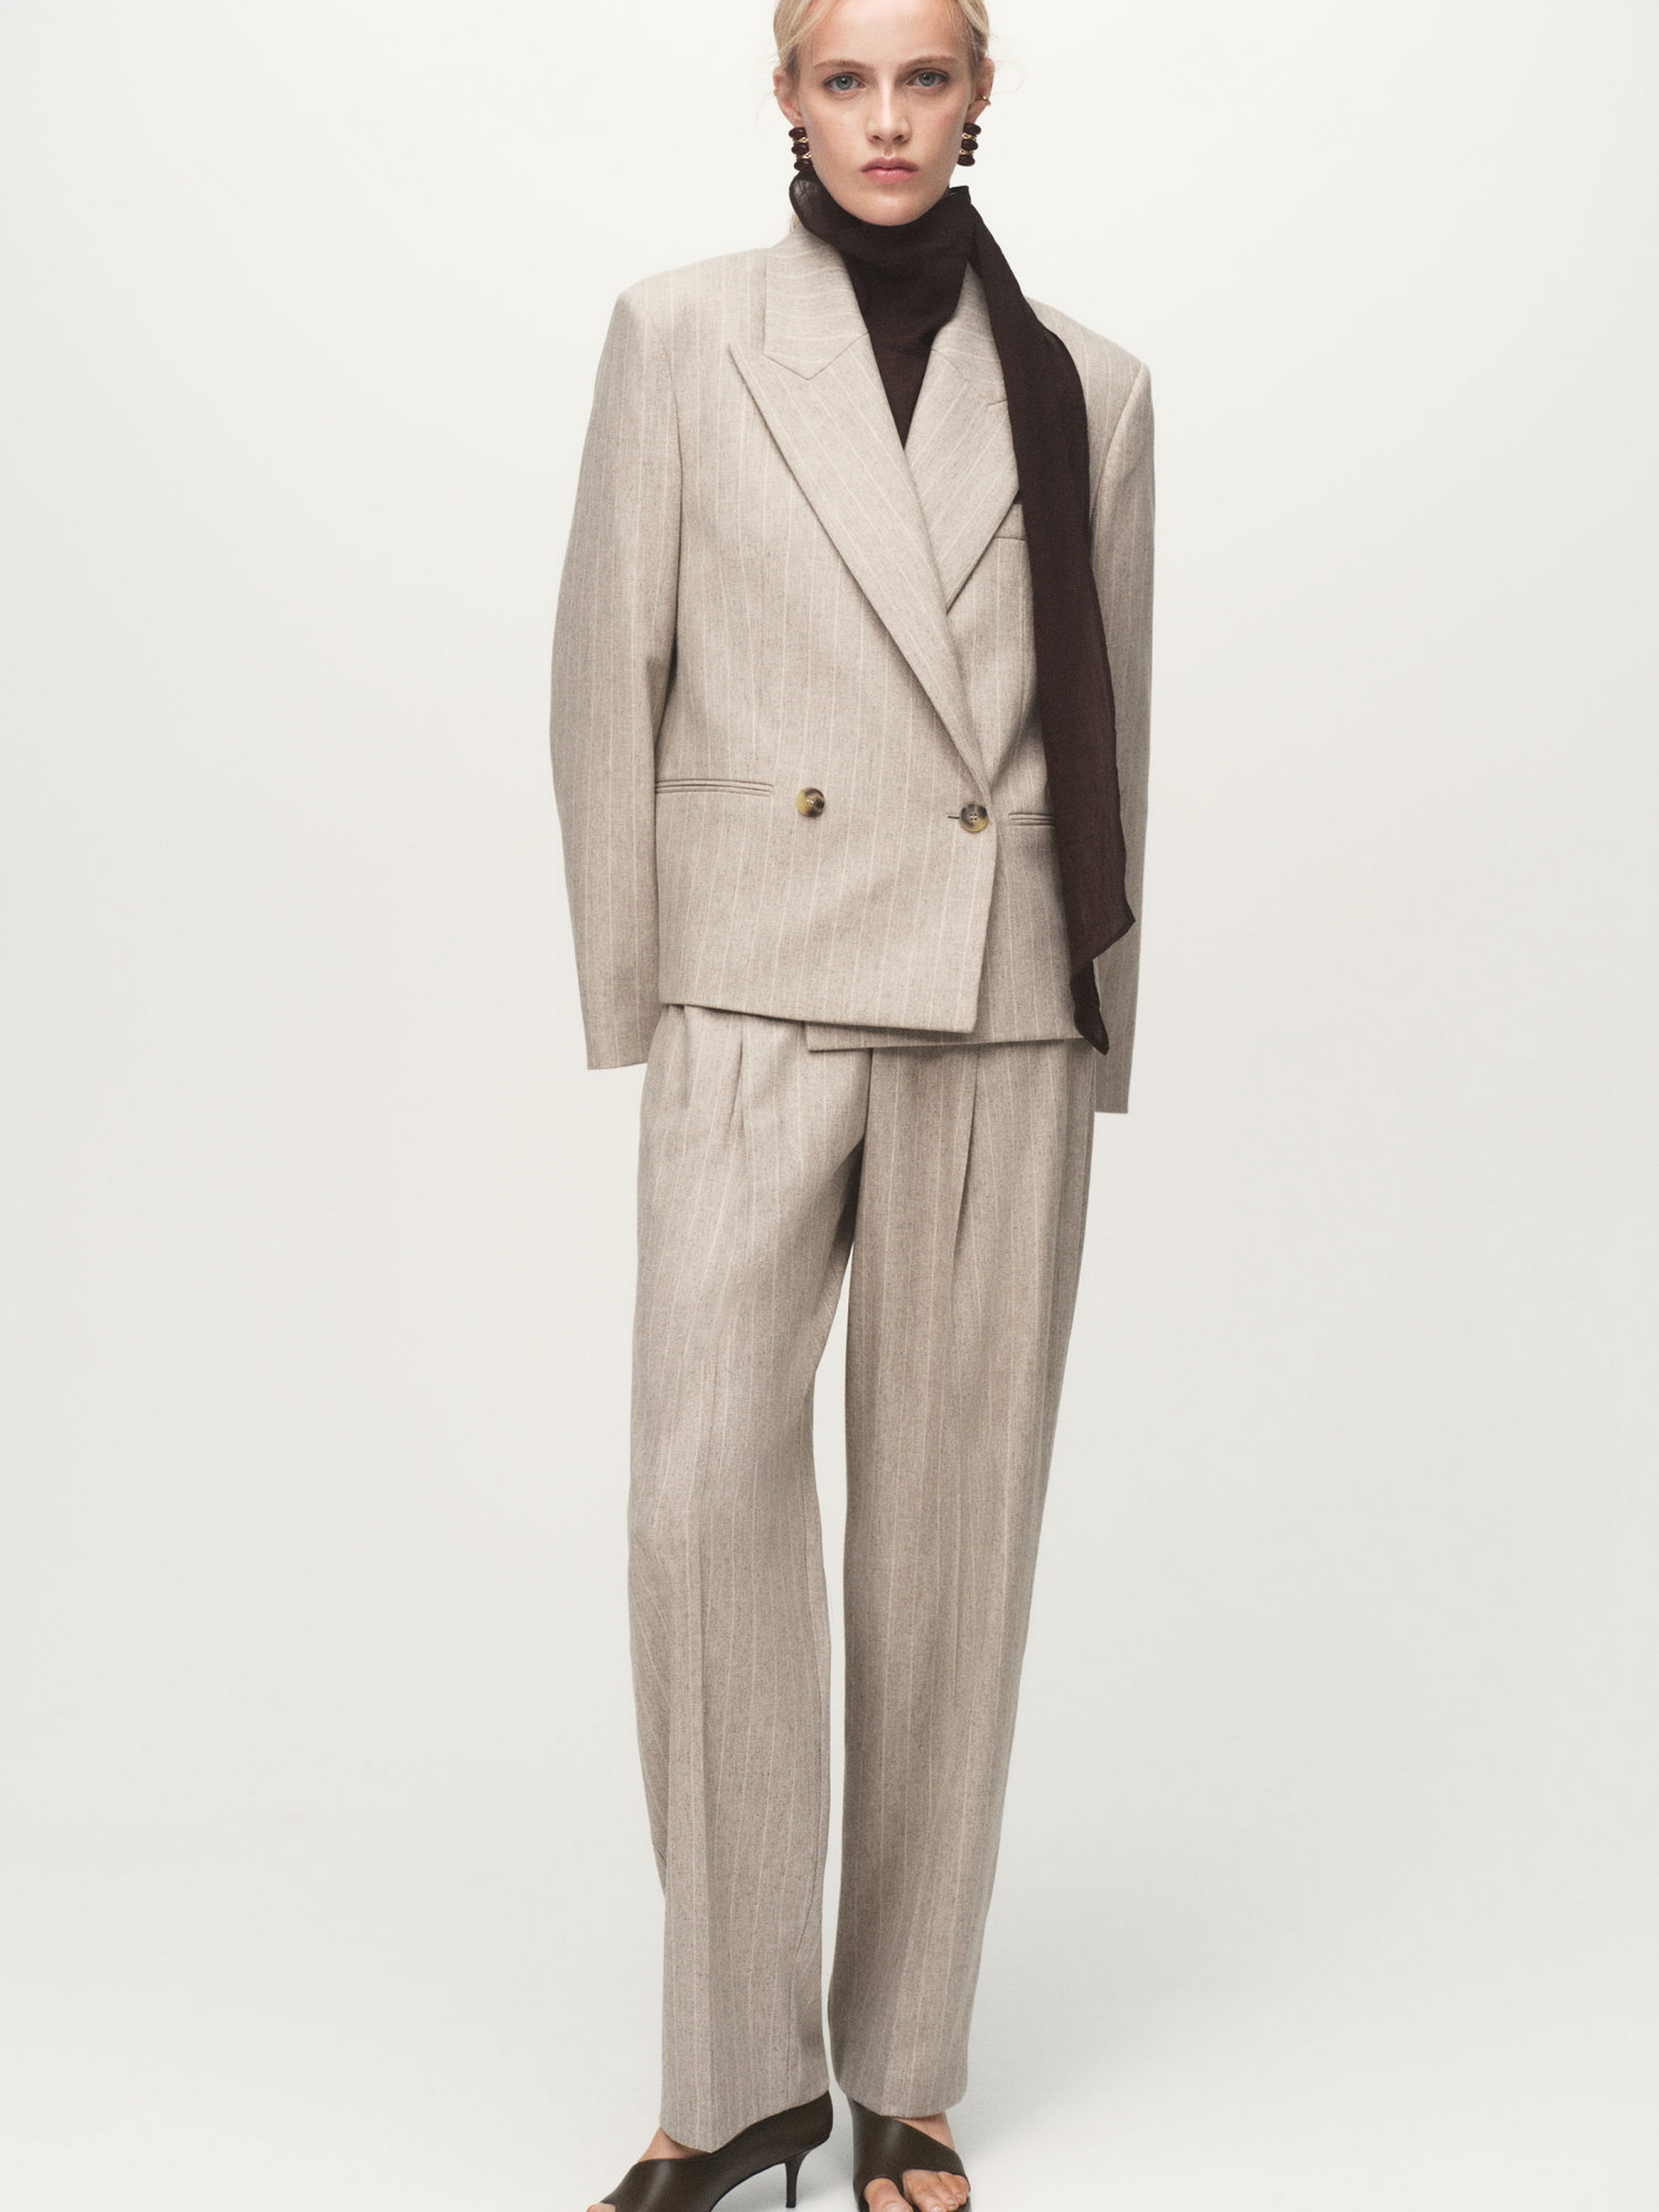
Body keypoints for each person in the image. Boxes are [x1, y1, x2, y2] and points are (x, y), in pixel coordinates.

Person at [548, 0, 1154, 2204]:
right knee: (695, 1497)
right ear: (787, 98)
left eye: (923, 78)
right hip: (755, 975)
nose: (884, 119)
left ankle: (902, 2061)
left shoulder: (1088, 384)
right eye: (844, 79)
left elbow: (1116, 717)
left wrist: (1100, 1019)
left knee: (950, 1539)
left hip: (997, 994)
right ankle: (734, 2074)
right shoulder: (682, 334)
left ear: (980, 97)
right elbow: (602, 667)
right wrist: (636, 985)